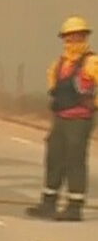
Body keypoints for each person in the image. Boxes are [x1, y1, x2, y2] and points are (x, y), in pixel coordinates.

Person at [26, 16, 96, 222]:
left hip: (80, 120)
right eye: (69, 37)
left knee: (75, 160)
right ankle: (49, 202)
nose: (73, 40)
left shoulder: (91, 62)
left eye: (77, 36)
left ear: (84, 37)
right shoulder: (59, 64)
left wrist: (94, 104)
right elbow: (52, 83)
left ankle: (75, 206)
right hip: (61, 118)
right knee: (54, 158)